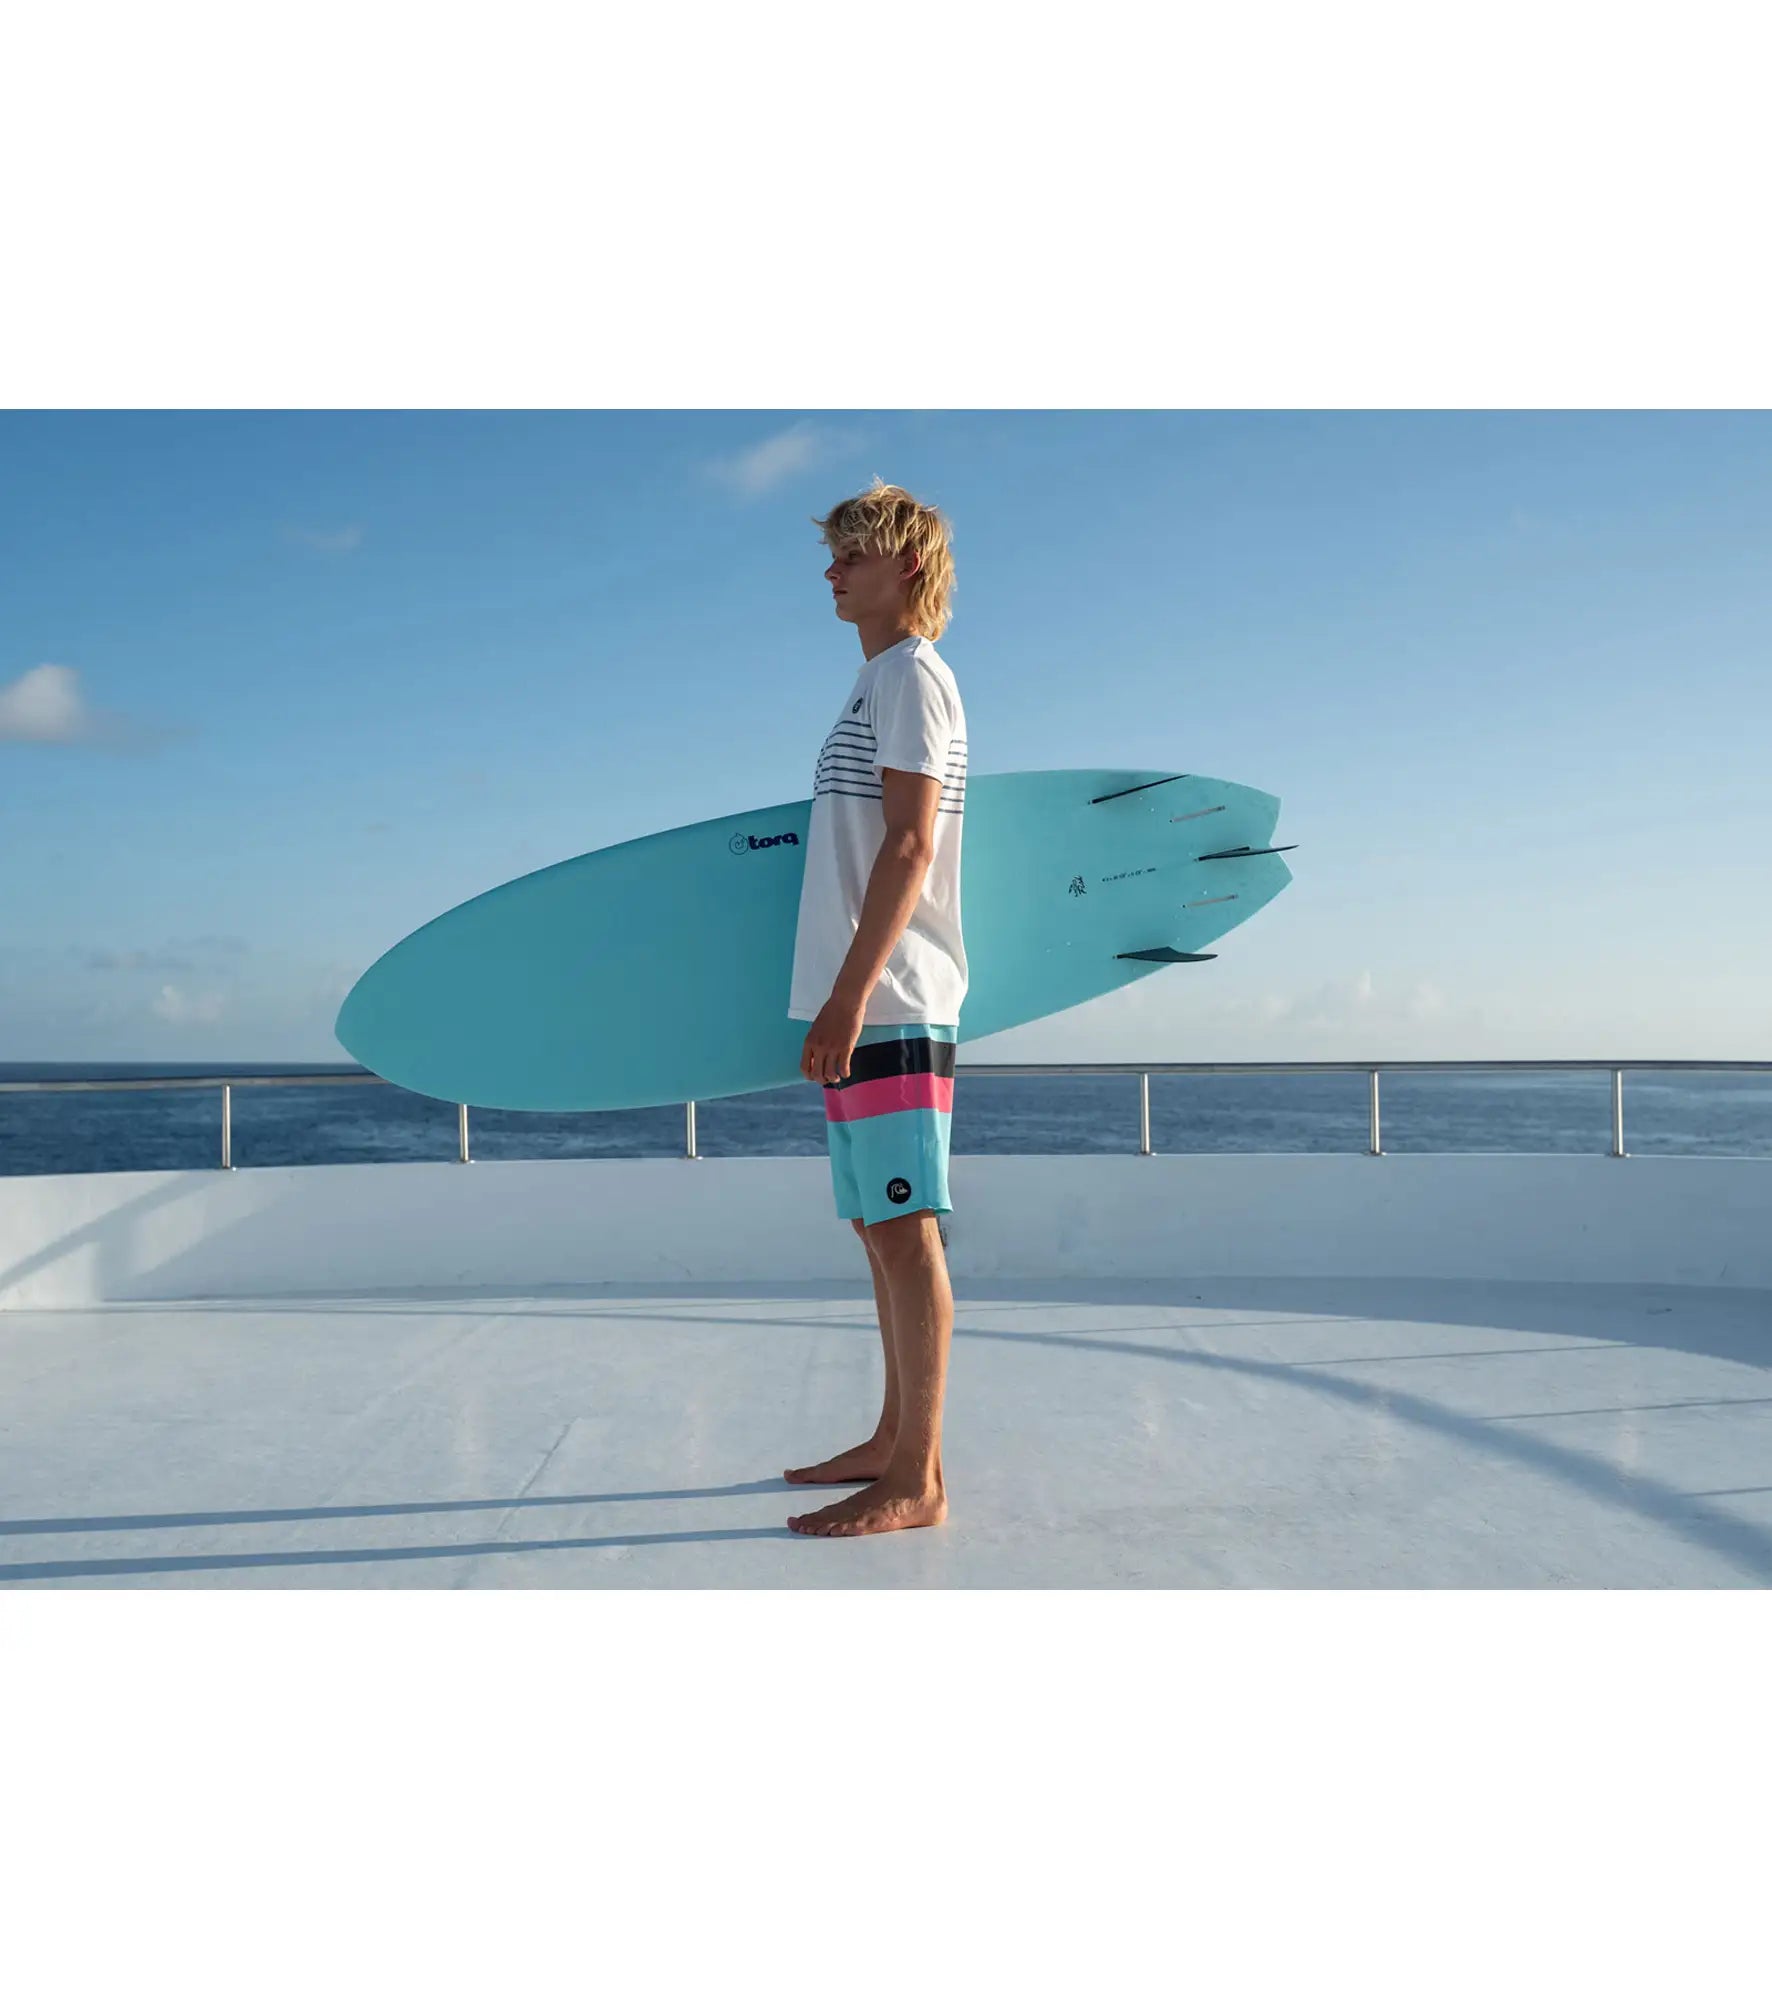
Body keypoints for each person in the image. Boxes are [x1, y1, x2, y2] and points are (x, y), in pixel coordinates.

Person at [782, 478, 968, 1538]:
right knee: (875, 1222)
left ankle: (917, 1479)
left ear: (905, 565)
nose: (832, 571)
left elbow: (909, 843)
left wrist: (848, 997)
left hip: (890, 995)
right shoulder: (876, 683)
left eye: (850, 554)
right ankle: (892, 1439)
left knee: (903, 1227)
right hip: (863, 994)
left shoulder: (911, 676)